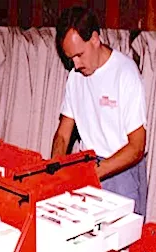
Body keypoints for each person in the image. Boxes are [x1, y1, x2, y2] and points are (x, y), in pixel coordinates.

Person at [51, 6, 147, 216]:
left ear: (95, 39)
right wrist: (55, 169)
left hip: (122, 171)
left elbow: (137, 146)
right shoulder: (75, 77)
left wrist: (94, 173)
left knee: (122, 244)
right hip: (89, 164)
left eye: (79, 55)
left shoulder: (125, 73)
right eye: (70, 58)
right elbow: (63, 134)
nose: (75, 65)